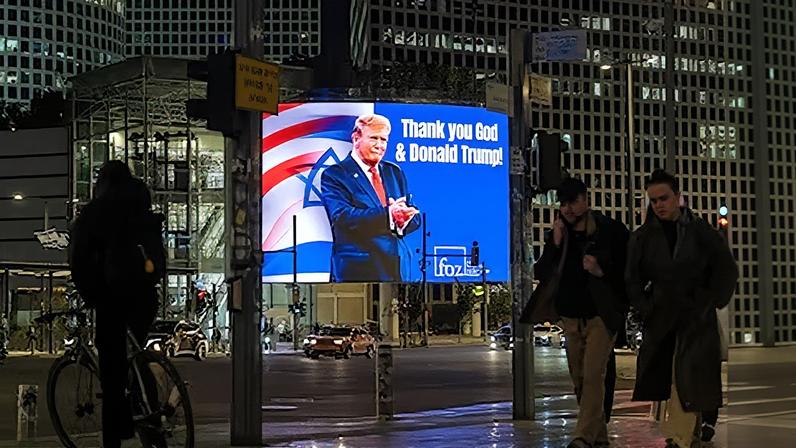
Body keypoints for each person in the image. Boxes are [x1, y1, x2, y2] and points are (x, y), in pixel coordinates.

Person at [625, 170, 738, 448]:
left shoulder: (700, 232)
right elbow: (632, 278)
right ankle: (687, 434)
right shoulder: (645, 237)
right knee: (681, 378)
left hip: (693, 316)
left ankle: (681, 436)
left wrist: (710, 300)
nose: (659, 205)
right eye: (653, 200)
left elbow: (725, 268)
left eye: (664, 198)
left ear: (677, 197)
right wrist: (645, 307)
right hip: (663, 316)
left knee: (685, 376)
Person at [70, 160, 166, 448]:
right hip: (145, 295)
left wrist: (91, 295)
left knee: (112, 373)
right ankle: (150, 418)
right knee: (135, 355)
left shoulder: (95, 213)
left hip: (111, 297)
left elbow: (79, 260)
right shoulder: (142, 208)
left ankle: (115, 436)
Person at [534, 178, 630, 448]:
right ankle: (599, 437)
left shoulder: (609, 231)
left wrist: (601, 271)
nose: (568, 209)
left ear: (585, 200)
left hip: (601, 315)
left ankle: (583, 437)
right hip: (571, 316)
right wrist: (554, 244)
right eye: (563, 203)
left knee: (593, 375)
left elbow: (628, 271)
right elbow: (542, 273)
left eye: (573, 202)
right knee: (579, 379)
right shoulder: (559, 234)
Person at [321, 114, 421, 282]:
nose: (379, 145)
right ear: (356, 138)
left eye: (384, 140)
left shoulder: (394, 172)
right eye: (374, 138)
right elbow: (342, 218)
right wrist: (389, 215)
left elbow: (414, 216)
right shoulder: (336, 174)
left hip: (398, 270)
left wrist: (403, 219)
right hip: (358, 272)